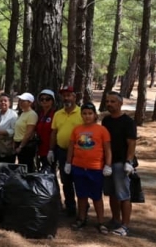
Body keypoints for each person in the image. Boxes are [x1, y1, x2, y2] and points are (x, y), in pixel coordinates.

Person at [65, 102, 112, 233]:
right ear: (81, 115)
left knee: (96, 196)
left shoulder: (102, 130)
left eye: (90, 113)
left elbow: (107, 149)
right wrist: (68, 163)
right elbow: (71, 147)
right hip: (78, 167)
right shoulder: (77, 130)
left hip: (95, 168)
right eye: (84, 114)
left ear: (95, 115)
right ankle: (81, 218)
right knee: (81, 195)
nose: (87, 116)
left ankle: (101, 221)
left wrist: (108, 165)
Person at [102, 91, 137, 237]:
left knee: (123, 195)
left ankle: (125, 225)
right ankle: (115, 219)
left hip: (121, 164)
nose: (109, 104)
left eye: (113, 101)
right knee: (112, 194)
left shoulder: (128, 122)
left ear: (120, 103)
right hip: (108, 163)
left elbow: (131, 143)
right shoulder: (106, 121)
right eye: (108, 101)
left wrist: (128, 162)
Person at [49, 85, 84, 216]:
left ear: (74, 97)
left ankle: (83, 209)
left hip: (79, 153)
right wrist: (51, 150)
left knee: (79, 180)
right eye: (64, 96)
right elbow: (54, 132)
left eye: (69, 95)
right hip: (62, 152)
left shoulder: (82, 113)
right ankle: (70, 208)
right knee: (66, 181)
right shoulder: (58, 114)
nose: (66, 98)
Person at [0, 93, 17, 164]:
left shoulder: (13, 115)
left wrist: (5, 132)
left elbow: (15, 130)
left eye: (5, 101)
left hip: (7, 149)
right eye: (1, 101)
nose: (3, 102)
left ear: (9, 103)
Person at [14, 92, 38, 172]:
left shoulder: (32, 115)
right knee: (21, 166)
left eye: (23, 101)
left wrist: (21, 146)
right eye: (20, 100)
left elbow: (28, 133)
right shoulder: (23, 113)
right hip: (18, 143)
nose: (20, 102)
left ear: (30, 103)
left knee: (27, 167)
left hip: (25, 146)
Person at [36, 89, 57, 171]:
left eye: (47, 99)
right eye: (42, 99)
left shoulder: (55, 114)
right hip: (40, 149)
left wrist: (51, 150)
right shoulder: (40, 114)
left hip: (50, 149)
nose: (44, 101)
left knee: (51, 173)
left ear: (52, 101)